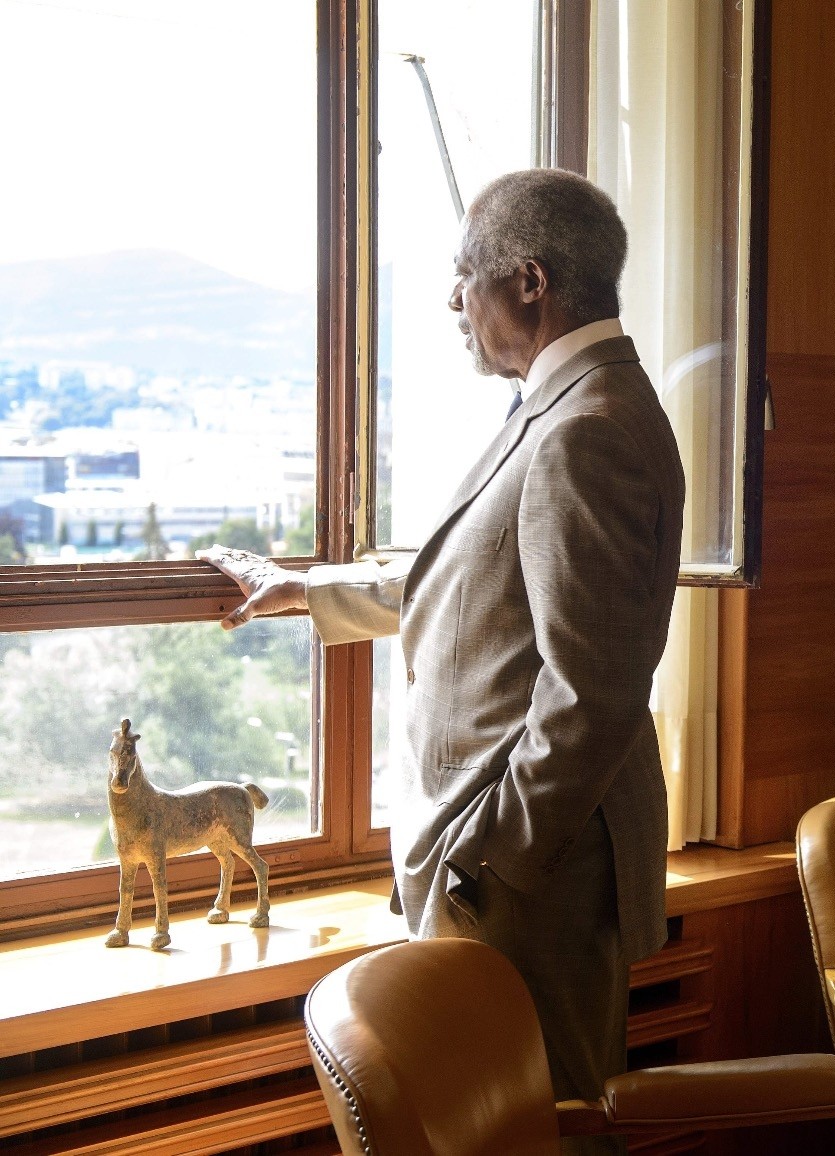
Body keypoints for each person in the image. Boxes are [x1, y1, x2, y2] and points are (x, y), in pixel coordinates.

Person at [202, 168, 684, 1155]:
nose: (451, 301)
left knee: (536, 1132)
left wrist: (490, 859)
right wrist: (316, 588)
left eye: (464, 276)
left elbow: (589, 696)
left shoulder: (587, 431)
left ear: (529, 282)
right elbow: (486, 579)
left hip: (527, 878)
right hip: (511, 868)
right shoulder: (563, 406)